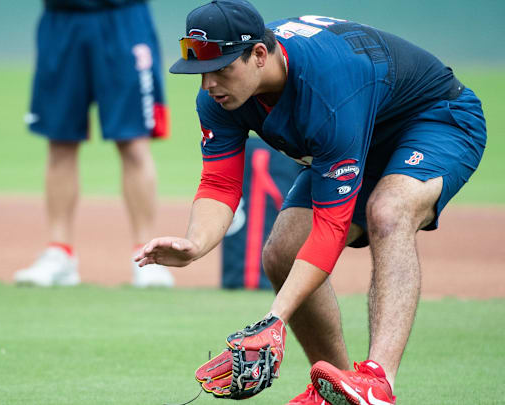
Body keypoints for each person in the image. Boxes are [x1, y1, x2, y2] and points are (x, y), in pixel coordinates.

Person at [135, 0, 487, 403]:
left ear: (259, 55)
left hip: (434, 118)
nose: (209, 84)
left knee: (388, 211)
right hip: (356, 134)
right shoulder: (220, 99)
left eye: (222, 69)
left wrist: (273, 320)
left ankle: (378, 381)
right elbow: (218, 184)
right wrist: (195, 244)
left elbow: (331, 228)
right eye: (201, 72)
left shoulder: (327, 87)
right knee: (283, 252)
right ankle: (335, 389)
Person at [15, 0, 174, 288]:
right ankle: (59, 253)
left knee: (134, 143)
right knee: (60, 142)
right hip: (62, 19)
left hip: (123, 17)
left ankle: (146, 256)